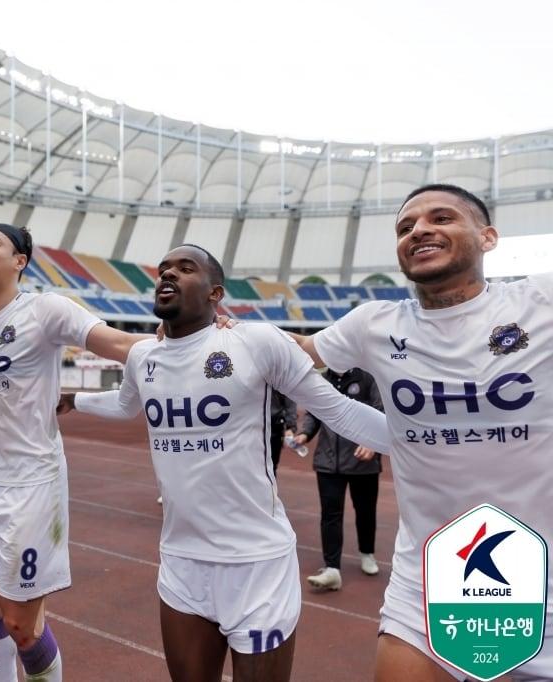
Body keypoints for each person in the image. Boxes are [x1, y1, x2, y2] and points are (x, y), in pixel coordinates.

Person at [58, 244, 390, 682]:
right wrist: (74, 400)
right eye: (163, 269)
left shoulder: (255, 342)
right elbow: (125, 404)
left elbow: (338, 410)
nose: (167, 275)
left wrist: (424, 443)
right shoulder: (143, 357)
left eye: (185, 268)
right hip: (182, 561)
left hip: (256, 564)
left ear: (215, 293)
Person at [288, 184, 553, 681]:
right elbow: (296, 354)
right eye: (405, 227)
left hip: (544, 582)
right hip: (431, 577)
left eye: (442, 218)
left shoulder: (541, 300)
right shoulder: (374, 323)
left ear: (488, 237)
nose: (419, 230)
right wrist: (212, 333)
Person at [0, 223, 148, 682]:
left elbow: (119, 344)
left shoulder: (46, 310)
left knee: (21, 625)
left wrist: (194, 338)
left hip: (32, 484)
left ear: (20, 261)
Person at [296, 368, 384, 591]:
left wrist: (373, 443)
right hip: (328, 462)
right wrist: (305, 434)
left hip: (362, 461)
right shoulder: (321, 380)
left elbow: (380, 411)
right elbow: (314, 413)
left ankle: (367, 552)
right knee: (330, 515)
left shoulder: (367, 377)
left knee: (365, 511)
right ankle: (332, 567)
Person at [269, 390, 297, 474]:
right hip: (249, 425)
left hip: (274, 426)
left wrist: (290, 427)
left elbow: (289, 397)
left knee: (271, 466)